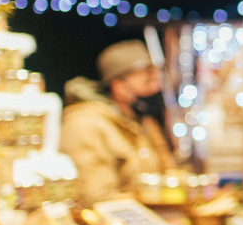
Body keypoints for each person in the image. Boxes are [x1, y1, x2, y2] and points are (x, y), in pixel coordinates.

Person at [60, 39, 174, 204]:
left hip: (148, 223)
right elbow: (96, 197)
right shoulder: (86, 124)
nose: (155, 90)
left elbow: (165, 175)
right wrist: (150, 199)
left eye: (157, 81)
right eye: (146, 81)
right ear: (118, 86)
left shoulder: (140, 124)